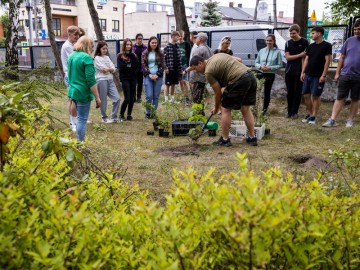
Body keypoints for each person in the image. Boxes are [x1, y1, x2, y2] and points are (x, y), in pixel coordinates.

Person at [189, 54, 258, 147]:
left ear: (200, 63)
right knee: (245, 109)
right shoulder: (216, 56)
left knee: (225, 109)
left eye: (195, 68)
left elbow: (218, 94)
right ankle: (252, 137)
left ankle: (225, 139)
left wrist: (217, 108)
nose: (196, 71)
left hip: (239, 80)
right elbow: (238, 60)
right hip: (250, 76)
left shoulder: (208, 72)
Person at [322, 20, 360, 128]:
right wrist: (337, 73)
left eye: (359, 29)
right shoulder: (349, 40)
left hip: (358, 76)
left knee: (355, 98)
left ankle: (350, 120)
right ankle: (332, 119)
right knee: (340, 97)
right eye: (355, 29)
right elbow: (342, 57)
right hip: (345, 74)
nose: (356, 31)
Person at [67, 36, 101, 142]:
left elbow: (69, 75)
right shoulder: (86, 58)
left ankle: (78, 142)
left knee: (78, 119)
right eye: (92, 46)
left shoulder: (72, 56)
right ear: (87, 45)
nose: (92, 49)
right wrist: (97, 97)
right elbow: (91, 80)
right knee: (82, 120)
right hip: (83, 93)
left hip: (73, 91)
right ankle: (80, 144)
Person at [300, 26, 332, 125]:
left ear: (319, 34)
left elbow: (328, 61)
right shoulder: (311, 46)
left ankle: (314, 116)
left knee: (315, 96)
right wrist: (302, 72)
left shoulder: (327, 45)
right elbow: (307, 59)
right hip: (308, 74)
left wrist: (323, 75)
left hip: (318, 75)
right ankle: (309, 114)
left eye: (313, 33)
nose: (311, 35)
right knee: (306, 94)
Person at [284, 24, 309, 119]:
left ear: (298, 32)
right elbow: (287, 57)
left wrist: (303, 71)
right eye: (290, 33)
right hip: (289, 71)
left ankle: (295, 112)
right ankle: (289, 111)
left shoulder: (305, 42)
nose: (292, 35)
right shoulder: (288, 43)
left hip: (299, 71)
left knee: (297, 92)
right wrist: (299, 55)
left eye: (293, 33)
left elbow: (306, 56)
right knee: (289, 91)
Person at [255, 34, 283, 115]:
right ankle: (255, 108)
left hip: (270, 74)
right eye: (267, 40)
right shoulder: (261, 51)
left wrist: (270, 68)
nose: (268, 42)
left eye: (270, 40)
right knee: (257, 91)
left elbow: (280, 65)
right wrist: (260, 66)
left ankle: (264, 110)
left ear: (274, 41)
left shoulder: (277, 52)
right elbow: (256, 62)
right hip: (260, 73)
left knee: (267, 92)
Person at [94, 41, 120, 123]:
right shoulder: (96, 58)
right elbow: (103, 69)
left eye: (106, 49)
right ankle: (104, 117)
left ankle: (114, 117)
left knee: (117, 98)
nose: (105, 50)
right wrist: (110, 69)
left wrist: (109, 69)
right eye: (103, 49)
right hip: (101, 80)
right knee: (103, 100)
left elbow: (113, 68)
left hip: (110, 80)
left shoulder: (107, 58)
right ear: (99, 49)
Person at [185, 32, 213, 105]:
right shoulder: (209, 49)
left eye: (196, 37)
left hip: (197, 77)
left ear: (200, 39)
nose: (195, 39)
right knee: (199, 98)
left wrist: (185, 71)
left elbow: (193, 64)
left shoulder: (199, 49)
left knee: (196, 98)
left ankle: (198, 115)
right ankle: (200, 114)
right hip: (203, 77)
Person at [61, 25, 80, 132]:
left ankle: (74, 120)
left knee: (74, 99)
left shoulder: (73, 44)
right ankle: (73, 123)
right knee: (73, 99)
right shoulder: (67, 46)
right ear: (69, 34)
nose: (77, 37)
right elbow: (75, 60)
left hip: (74, 75)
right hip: (70, 75)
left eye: (78, 35)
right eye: (75, 34)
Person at [142, 36, 165, 119]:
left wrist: (157, 74)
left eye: (156, 42)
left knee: (156, 96)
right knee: (149, 95)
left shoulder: (161, 53)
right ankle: (148, 113)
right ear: (149, 43)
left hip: (158, 77)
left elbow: (163, 65)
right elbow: (143, 65)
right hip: (148, 77)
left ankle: (153, 113)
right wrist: (149, 74)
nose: (154, 44)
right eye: (153, 42)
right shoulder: (145, 53)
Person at [117, 38, 139, 122]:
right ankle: (121, 114)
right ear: (124, 45)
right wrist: (130, 68)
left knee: (133, 98)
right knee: (127, 98)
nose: (129, 46)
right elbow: (121, 68)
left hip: (133, 78)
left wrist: (130, 68)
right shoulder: (120, 56)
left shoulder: (133, 55)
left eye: (130, 45)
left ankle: (129, 114)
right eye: (127, 44)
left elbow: (136, 66)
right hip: (125, 78)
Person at [163, 31, 182, 102]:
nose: (178, 38)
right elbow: (163, 59)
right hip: (169, 69)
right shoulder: (167, 47)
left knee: (173, 84)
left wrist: (180, 69)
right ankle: (166, 100)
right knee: (167, 84)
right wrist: (165, 68)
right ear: (173, 37)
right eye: (177, 36)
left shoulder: (177, 47)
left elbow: (179, 59)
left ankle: (172, 100)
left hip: (176, 69)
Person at [132, 33, 147, 103]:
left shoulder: (145, 48)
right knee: (134, 83)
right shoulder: (132, 47)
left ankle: (139, 97)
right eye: (138, 39)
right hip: (134, 68)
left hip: (141, 68)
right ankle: (133, 97)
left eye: (141, 39)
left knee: (140, 83)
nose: (140, 40)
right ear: (136, 39)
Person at [178, 30, 191, 104]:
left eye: (181, 36)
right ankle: (183, 96)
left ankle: (186, 96)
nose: (180, 37)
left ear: (183, 36)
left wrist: (188, 65)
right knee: (180, 81)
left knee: (185, 81)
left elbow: (189, 55)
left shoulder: (186, 44)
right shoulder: (176, 44)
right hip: (178, 65)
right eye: (178, 36)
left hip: (185, 65)